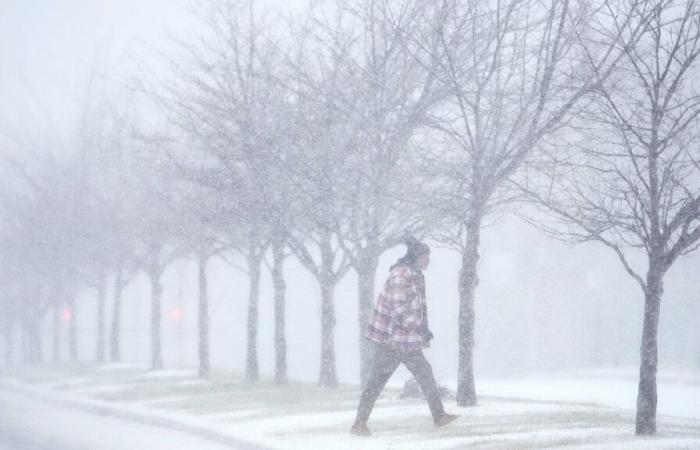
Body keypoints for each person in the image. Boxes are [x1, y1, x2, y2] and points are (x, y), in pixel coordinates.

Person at [350, 237, 459, 436]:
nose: (428, 261)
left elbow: (417, 308)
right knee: (377, 381)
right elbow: (398, 309)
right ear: (417, 256)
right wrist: (420, 328)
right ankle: (359, 424)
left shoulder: (416, 275)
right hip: (391, 341)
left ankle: (439, 416)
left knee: (424, 374)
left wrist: (422, 329)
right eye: (426, 256)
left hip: (406, 340)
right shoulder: (401, 275)